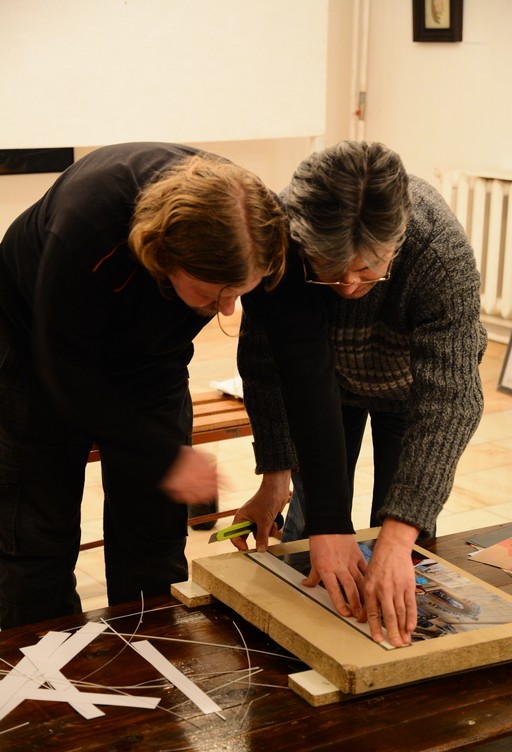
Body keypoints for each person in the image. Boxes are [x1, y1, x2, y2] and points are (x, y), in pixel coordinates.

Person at [0, 142, 288, 628]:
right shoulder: (87, 226)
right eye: (212, 294)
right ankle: (48, 663)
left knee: (154, 535)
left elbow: (283, 356)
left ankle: (150, 650)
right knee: (35, 536)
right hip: (34, 349)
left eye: (239, 293)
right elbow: (66, 371)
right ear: (163, 257)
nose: (227, 310)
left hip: (153, 363)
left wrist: (278, 471)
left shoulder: (260, 229)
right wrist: (161, 452)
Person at [234, 140, 487, 647]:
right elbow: (266, 364)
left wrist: (399, 534)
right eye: (328, 268)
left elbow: (452, 398)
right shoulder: (276, 235)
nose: (349, 286)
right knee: (313, 535)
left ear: (398, 242)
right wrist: (276, 474)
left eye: (370, 268)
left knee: (401, 542)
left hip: (411, 391)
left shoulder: (437, 251)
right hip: (321, 393)